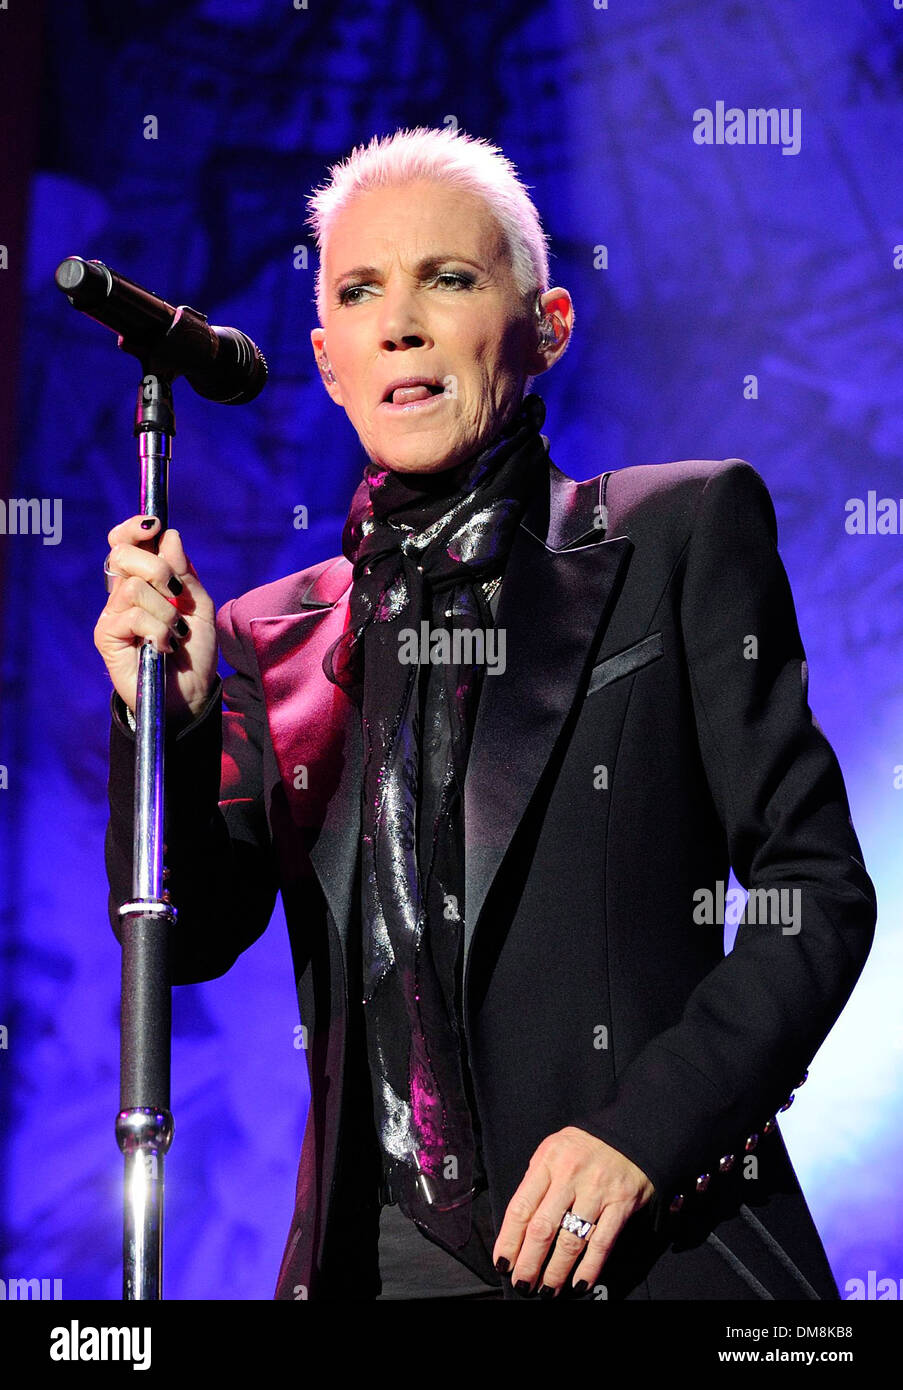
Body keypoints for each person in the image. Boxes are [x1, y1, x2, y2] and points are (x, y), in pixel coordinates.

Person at [96, 126, 877, 1302]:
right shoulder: (270, 637)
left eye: (449, 278)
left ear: (547, 325)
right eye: (360, 292)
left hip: (646, 1247)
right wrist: (173, 715)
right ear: (328, 360)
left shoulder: (676, 536)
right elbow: (190, 935)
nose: (400, 323)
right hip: (374, 1270)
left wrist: (645, 1133)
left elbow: (812, 891)